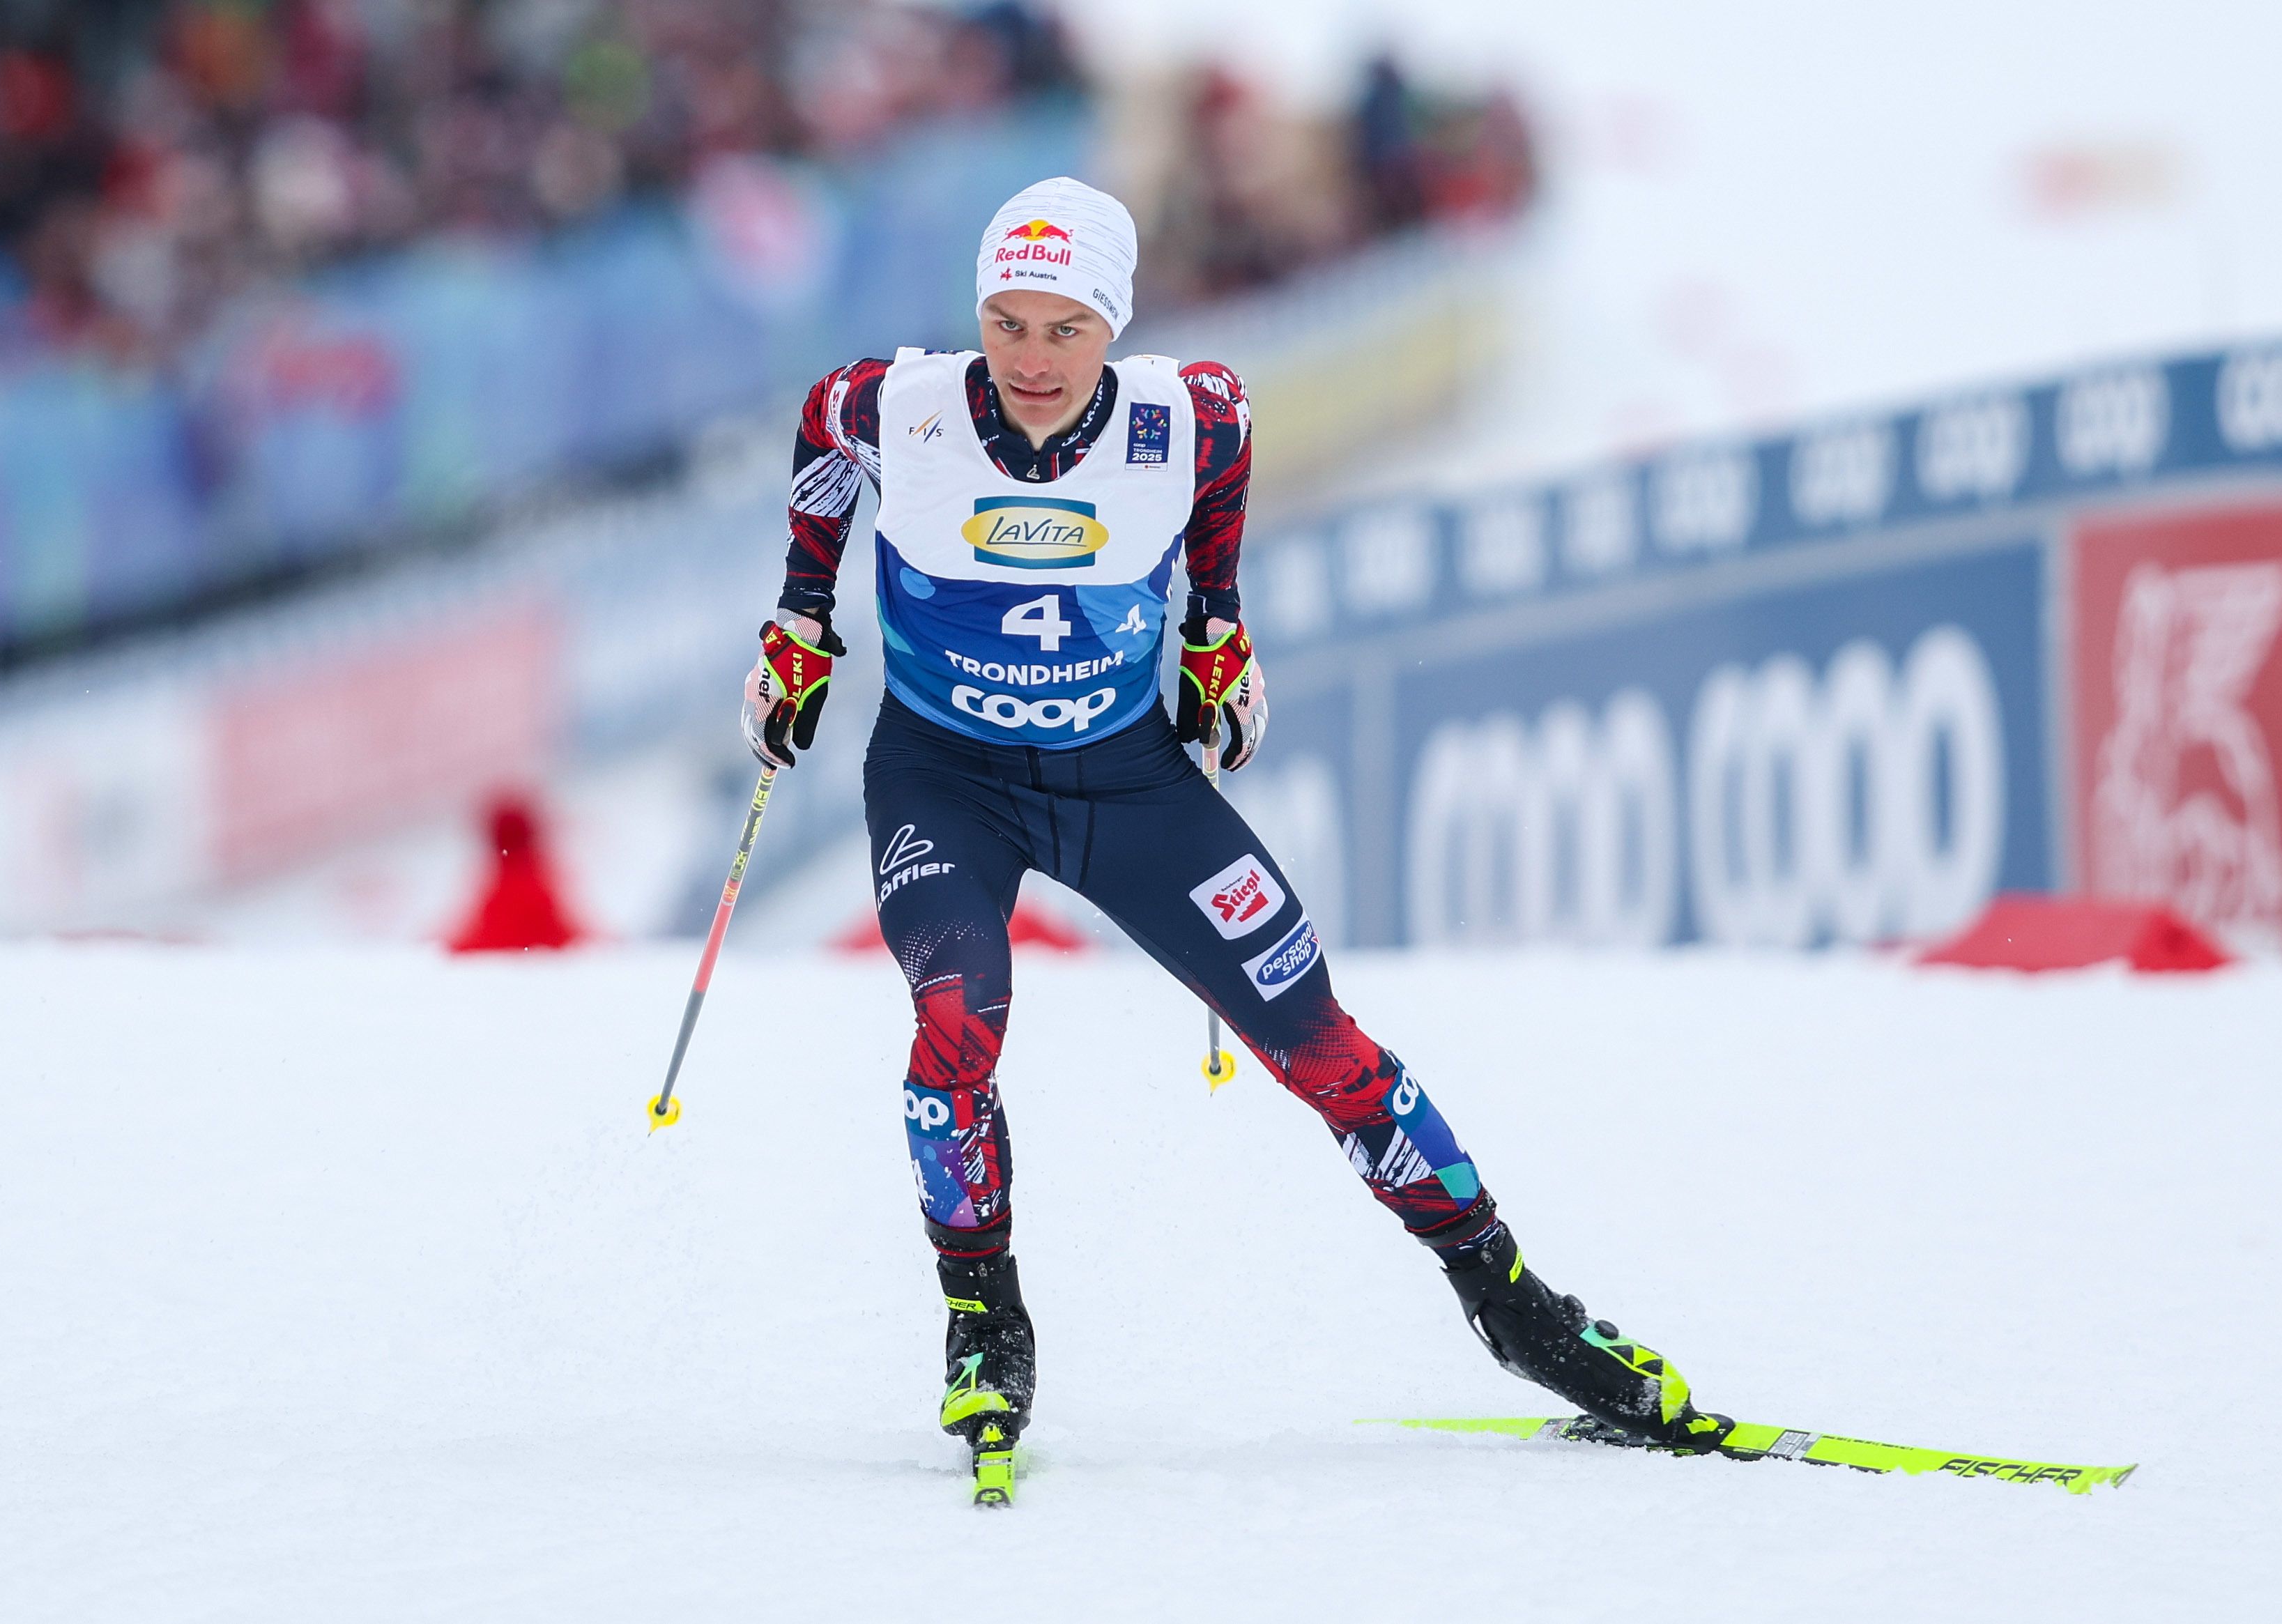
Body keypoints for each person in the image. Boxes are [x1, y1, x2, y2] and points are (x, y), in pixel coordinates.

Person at [740, 177, 1728, 1488]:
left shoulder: (1188, 417)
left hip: (1128, 783)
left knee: (1315, 1035)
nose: (1034, 360)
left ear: (1115, 326)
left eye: (1068, 328)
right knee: (958, 1011)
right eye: (1009, 323)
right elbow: (819, 432)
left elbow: (1220, 498)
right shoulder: (897, 406)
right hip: (945, 779)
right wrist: (802, 618)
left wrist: (1217, 625)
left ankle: (1514, 1304)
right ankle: (984, 1317)